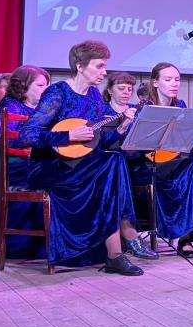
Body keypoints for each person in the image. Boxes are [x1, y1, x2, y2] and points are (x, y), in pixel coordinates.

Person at [19, 41, 156, 275]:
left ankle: (115, 252)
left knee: (113, 160)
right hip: (50, 166)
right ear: (80, 66)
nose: (104, 71)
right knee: (113, 163)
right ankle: (124, 237)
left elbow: (96, 141)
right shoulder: (58, 92)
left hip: (80, 163)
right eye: (99, 66)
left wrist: (120, 128)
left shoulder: (93, 95)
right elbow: (26, 135)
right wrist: (67, 135)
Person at [127, 62, 193, 258]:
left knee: (191, 166)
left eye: (177, 79)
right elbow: (134, 146)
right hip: (147, 165)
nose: (174, 83)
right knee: (190, 168)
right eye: (168, 79)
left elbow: (188, 142)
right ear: (155, 82)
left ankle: (187, 238)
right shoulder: (145, 107)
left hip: (173, 162)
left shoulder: (180, 105)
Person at [0, 66, 49, 257]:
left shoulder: (42, 110)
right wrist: (31, 144)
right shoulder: (10, 105)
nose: (46, 90)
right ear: (23, 86)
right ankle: (24, 245)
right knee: (45, 178)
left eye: (47, 85)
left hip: (24, 166)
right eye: (40, 85)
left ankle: (60, 242)